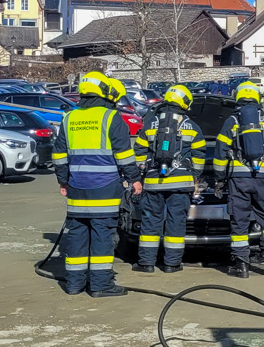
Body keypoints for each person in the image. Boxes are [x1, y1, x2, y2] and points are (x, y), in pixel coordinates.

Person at [51, 72, 141, 297]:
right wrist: (134, 178)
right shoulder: (111, 117)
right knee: (102, 237)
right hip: (105, 188)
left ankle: (74, 285)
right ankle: (101, 286)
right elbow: (124, 155)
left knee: (77, 235)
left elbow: (59, 155)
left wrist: (63, 180)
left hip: (76, 188)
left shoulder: (69, 118)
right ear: (104, 91)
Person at [217, 81, 264, 279]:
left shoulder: (233, 120)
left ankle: (242, 266)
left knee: (239, 222)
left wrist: (220, 178)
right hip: (262, 178)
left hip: (239, 179)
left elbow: (221, 151)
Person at [131, 84, 204, 274]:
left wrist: (143, 170)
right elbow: (199, 155)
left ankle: (146, 263)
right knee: (176, 223)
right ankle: (172, 264)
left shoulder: (151, 124)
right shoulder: (191, 126)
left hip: (154, 184)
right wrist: (195, 176)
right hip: (181, 185)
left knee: (150, 222)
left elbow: (138, 150)